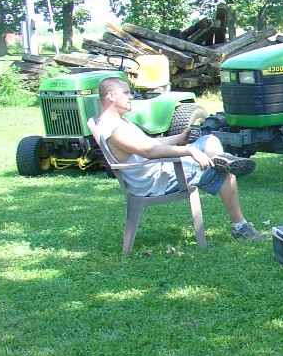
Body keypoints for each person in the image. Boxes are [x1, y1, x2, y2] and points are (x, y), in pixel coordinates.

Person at [95, 76, 263, 240]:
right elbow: (148, 152)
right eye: (126, 93)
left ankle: (223, 160)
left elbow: (150, 143)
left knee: (209, 140)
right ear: (111, 96)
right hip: (158, 180)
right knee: (223, 171)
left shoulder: (117, 122)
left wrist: (179, 138)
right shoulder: (115, 130)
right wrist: (188, 151)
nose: (131, 97)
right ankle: (239, 226)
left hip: (160, 169)